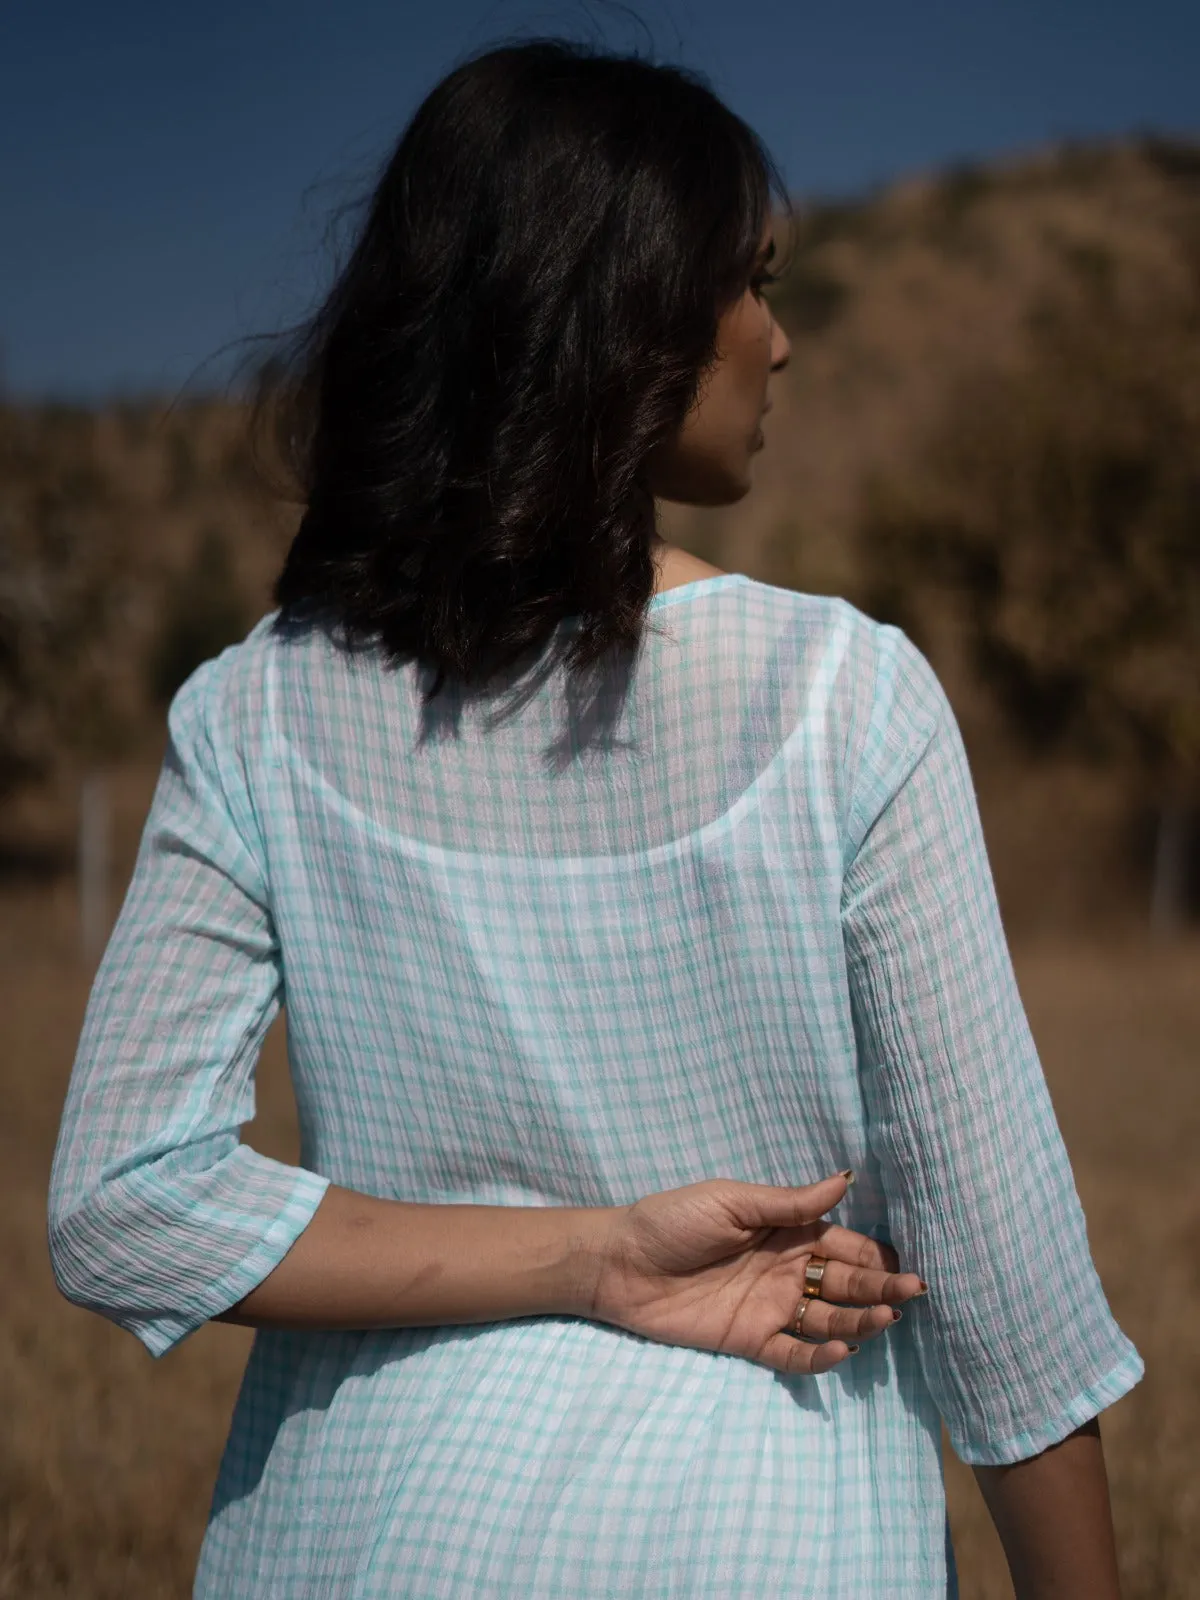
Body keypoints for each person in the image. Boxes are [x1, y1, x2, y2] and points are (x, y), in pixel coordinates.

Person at [49, 37, 1141, 1600]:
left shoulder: (254, 714)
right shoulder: (844, 699)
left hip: (358, 1541)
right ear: (622, 316)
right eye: (750, 283)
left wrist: (588, 1255)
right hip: (768, 1533)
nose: (780, 343)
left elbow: (125, 1204)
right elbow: (1010, 1289)